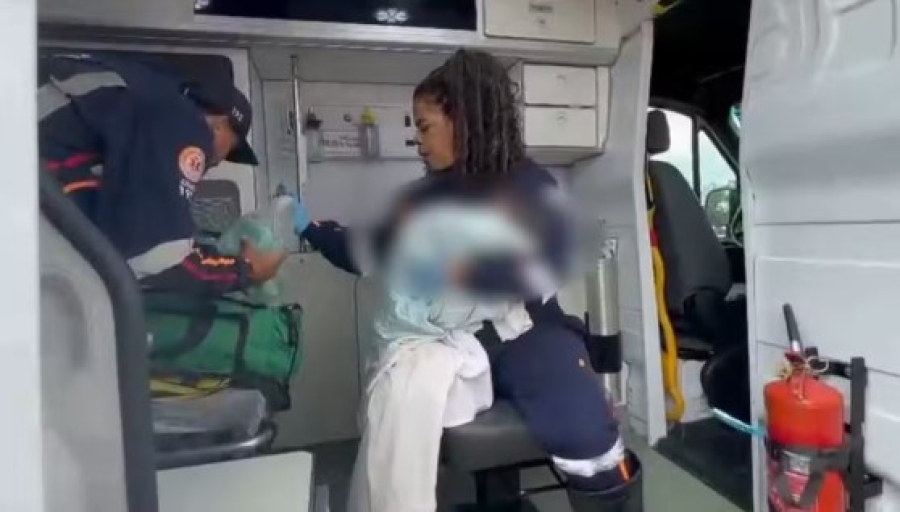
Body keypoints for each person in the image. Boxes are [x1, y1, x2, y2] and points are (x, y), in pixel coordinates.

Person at [293, 49, 640, 511]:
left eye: (424, 127)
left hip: (528, 333)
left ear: (464, 120)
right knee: (404, 400)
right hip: (451, 339)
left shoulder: (529, 185)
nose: (418, 141)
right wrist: (313, 229)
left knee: (587, 432)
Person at [38, 52, 285, 295]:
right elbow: (155, 260)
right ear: (220, 125)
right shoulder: (184, 123)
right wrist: (246, 270)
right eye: (230, 149)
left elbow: (122, 233)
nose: (218, 162)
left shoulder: (146, 96)